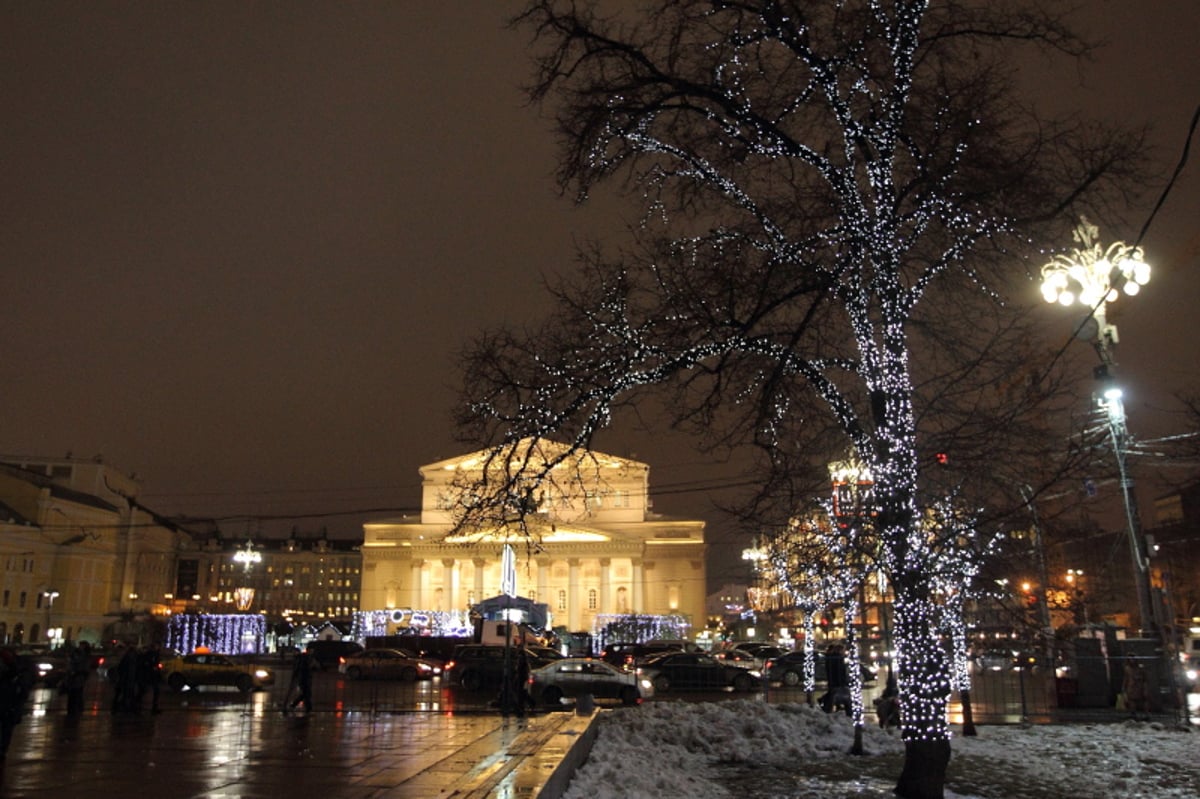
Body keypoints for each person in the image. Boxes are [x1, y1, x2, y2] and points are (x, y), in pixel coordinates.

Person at [821, 644, 850, 714]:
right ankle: (826, 705)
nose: (844, 652)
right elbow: (839, 670)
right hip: (836, 680)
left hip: (834, 680)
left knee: (833, 693)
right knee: (834, 694)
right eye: (843, 650)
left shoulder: (833, 657)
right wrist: (842, 681)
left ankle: (828, 705)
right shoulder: (837, 658)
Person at [65, 641, 91, 716]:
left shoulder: (83, 655)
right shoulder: (78, 654)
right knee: (75, 693)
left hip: (78, 676)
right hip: (76, 676)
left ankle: (75, 709)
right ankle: (74, 709)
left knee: (77, 693)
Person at [286, 648, 314, 713]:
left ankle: (307, 708)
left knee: (306, 694)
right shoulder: (304, 659)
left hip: (303, 679)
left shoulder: (304, 658)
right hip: (304, 679)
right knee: (306, 694)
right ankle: (307, 708)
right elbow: (303, 669)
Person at [136, 644, 163, 714]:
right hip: (149, 675)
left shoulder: (154, 654)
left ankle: (151, 707)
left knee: (153, 691)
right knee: (144, 691)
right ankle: (138, 706)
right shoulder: (150, 655)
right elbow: (147, 664)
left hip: (152, 675)